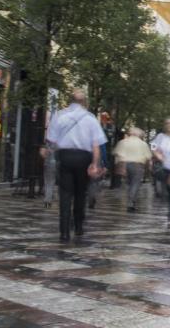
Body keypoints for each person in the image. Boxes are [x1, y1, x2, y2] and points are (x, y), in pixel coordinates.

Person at [46, 90, 107, 242]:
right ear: (84, 102)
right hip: (83, 158)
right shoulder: (91, 118)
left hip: (65, 156)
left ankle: (64, 232)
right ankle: (78, 226)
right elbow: (96, 144)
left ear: (69, 100)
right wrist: (94, 163)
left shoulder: (60, 115)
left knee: (65, 194)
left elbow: (51, 140)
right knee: (81, 193)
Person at [112, 126, 152, 212]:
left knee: (128, 183)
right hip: (138, 165)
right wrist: (147, 168)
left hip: (125, 164)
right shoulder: (143, 144)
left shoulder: (123, 142)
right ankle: (131, 202)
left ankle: (130, 200)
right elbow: (148, 157)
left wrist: (118, 165)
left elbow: (117, 154)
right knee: (135, 184)